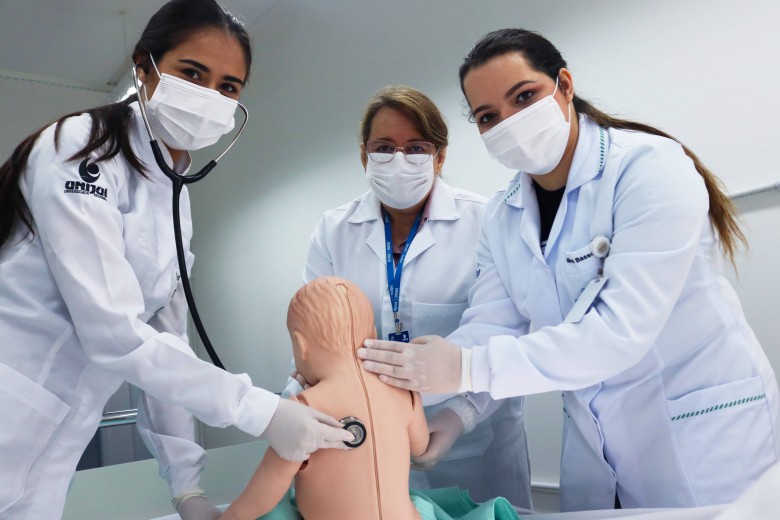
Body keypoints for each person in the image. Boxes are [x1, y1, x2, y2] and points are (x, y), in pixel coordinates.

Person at [358, 28, 780, 511]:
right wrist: (457, 412)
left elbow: (619, 332)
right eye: (488, 116)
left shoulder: (648, 168)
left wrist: (465, 368)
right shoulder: (503, 215)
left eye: (524, 96)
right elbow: (495, 325)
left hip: (701, 432)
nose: (509, 122)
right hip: (594, 441)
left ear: (564, 84)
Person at [0, 1, 351, 518]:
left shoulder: (172, 193)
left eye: (228, 86)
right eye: (192, 73)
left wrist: (187, 487)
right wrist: (259, 410)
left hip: (56, 437)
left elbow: (166, 344)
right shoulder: (81, 148)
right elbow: (114, 333)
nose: (209, 96)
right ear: (144, 67)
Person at [284, 85, 532, 508]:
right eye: (384, 148)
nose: (399, 160)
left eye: (416, 148)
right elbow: (313, 334)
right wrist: (294, 403)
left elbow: (503, 335)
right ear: (364, 156)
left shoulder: (485, 221)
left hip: (476, 447)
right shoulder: (334, 230)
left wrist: (461, 415)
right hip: (370, 441)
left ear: (440, 156)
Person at [223, 276, 429, 520]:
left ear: (301, 347)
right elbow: (420, 446)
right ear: (373, 335)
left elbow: (266, 488)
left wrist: (229, 517)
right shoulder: (403, 391)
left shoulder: (302, 411)